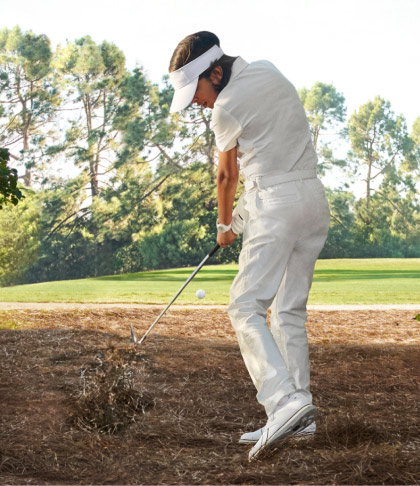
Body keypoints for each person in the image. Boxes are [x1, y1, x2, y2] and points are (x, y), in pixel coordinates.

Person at [168, 31, 330, 460]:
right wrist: (240, 219)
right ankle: (303, 417)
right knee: (289, 311)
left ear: (215, 73)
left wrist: (224, 223)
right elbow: (272, 164)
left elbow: (228, 177)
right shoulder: (268, 71)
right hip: (312, 202)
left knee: (244, 306)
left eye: (197, 93)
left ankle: (283, 403)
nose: (198, 104)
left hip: (277, 206)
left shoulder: (225, 107)